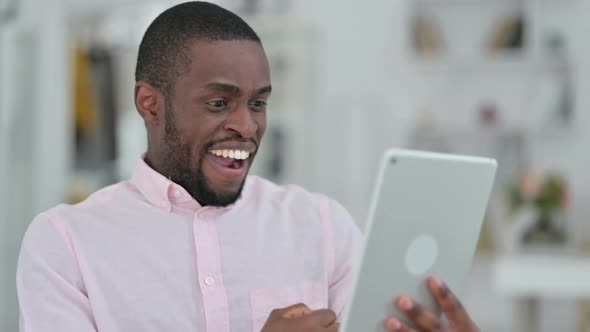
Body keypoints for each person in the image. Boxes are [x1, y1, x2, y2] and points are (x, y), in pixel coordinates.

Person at [16, 2, 480, 331]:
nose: (247, 125)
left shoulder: (323, 226)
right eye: (220, 102)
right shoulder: (65, 245)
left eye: (258, 103)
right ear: (150, 104)